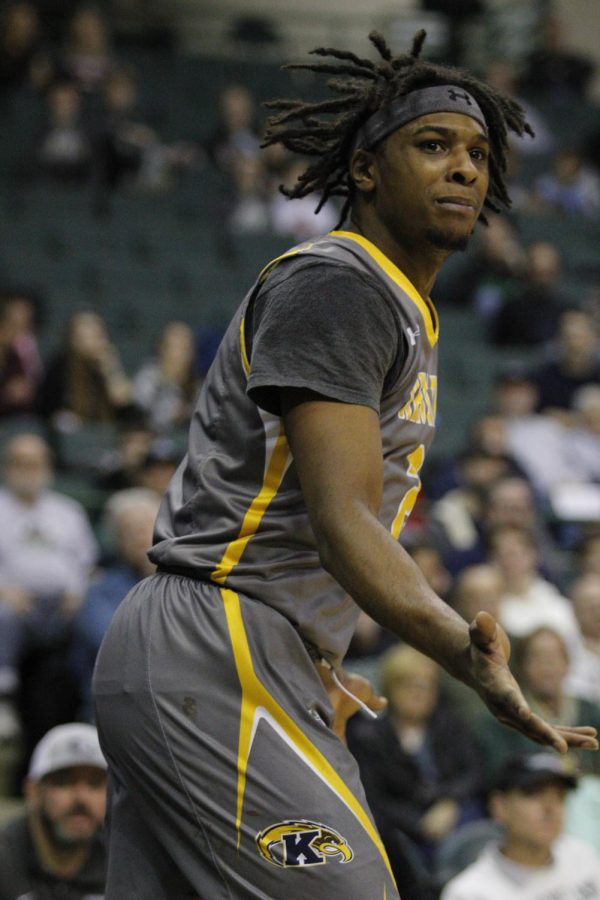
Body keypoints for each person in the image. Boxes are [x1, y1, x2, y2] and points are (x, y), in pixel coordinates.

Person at [92, 28, 598, 899]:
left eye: (479, 153)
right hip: (216, 637)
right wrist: (464, 656)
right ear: (364, 169)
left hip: (239, 644)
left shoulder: (401, 309)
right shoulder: (341, 284)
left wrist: (317, 653)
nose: (465, 169)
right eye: (434, 145)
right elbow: (341, 520)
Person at [440, 753, 600, 900]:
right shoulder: (470, 893)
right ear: (500, 807)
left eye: (559, 796)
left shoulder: (584, 857)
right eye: (534, 794)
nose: (551, 808)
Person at [0, 722, 107, 899]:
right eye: (64, 782)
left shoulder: (123, 865)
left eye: (95, 784)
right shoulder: (5, 862)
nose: (81, 797)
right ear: (32, 791)